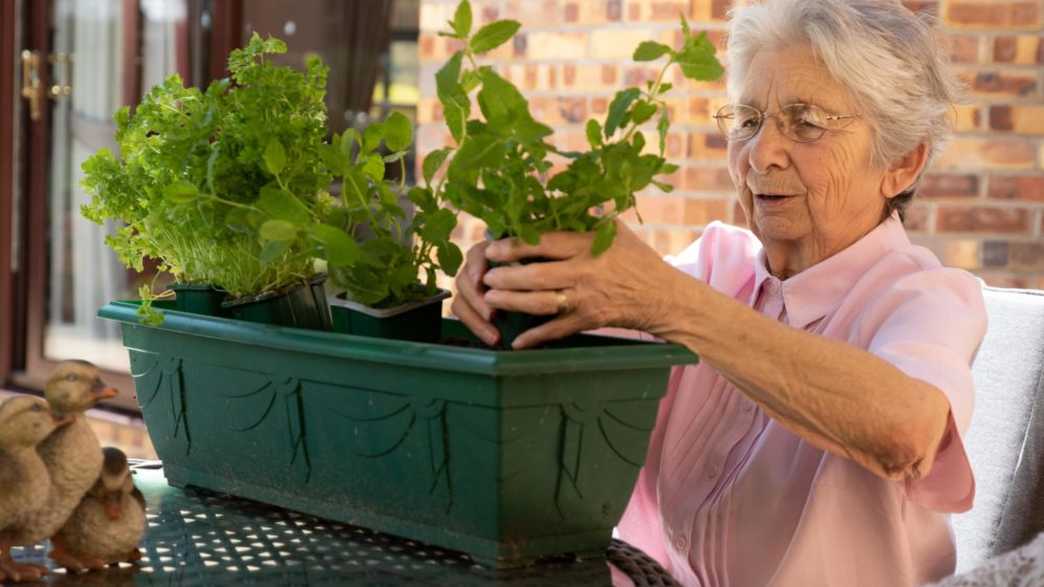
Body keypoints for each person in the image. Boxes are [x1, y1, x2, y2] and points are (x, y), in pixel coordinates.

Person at [451, 0, 988, 584]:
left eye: (806, 123)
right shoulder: (714, 266)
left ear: (902, 163)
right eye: (749, 121)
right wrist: (510, 277)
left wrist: (672, 306)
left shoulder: (925, 297)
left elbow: (905, 431)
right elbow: (575, 342)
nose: (760, 154)